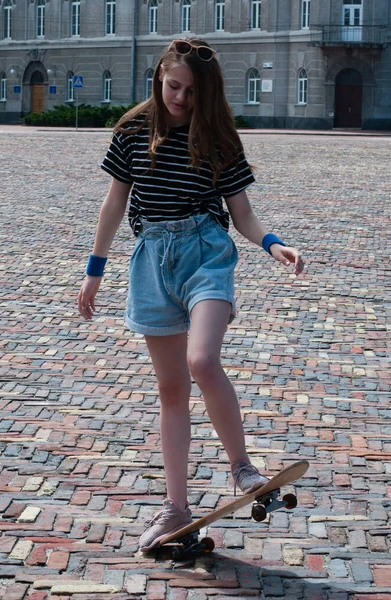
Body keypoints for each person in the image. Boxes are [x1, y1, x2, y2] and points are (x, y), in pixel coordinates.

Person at [78, 38, 304, 552]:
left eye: (191, 91)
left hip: (206, 252)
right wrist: (95, 270)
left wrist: (274, 244)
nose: (180, 98)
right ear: (159, 77)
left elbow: (242, 212)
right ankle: (174, 509)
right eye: (173, 86)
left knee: (203, 360)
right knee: (171, 389)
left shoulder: (219, 135)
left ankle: (242, 468)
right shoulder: (134, 129)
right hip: (151, 260)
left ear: (208, 91)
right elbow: (114, 204)